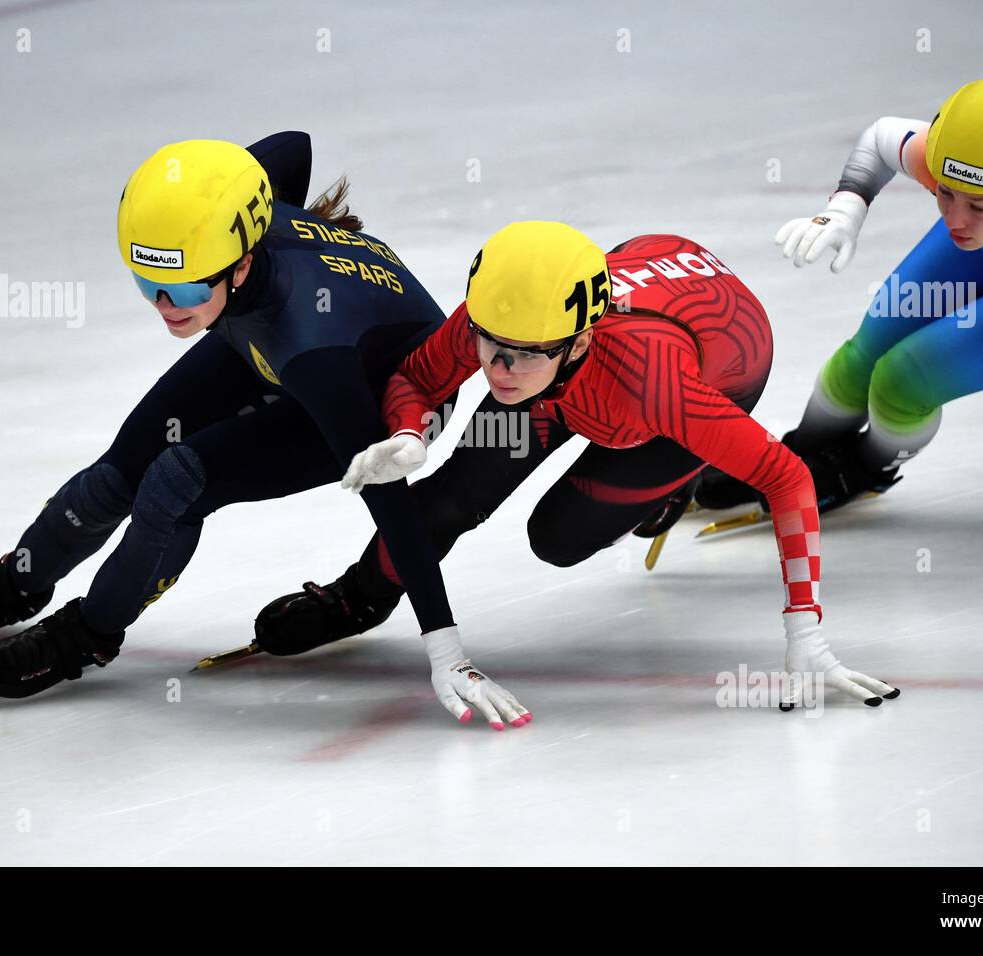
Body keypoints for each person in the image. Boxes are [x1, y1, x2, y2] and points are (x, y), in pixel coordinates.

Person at [0, 132, 522, 727]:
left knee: (175, 482)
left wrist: (446, 648)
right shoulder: (234, 222)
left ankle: (88, 634)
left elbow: (393, 505)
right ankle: (15, 583)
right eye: (149, 285)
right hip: (264, 326)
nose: (166, 308)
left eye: (183, 287)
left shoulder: (310, 345)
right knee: (124, 466)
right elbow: (291, 148)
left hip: (377, 400)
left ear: (240, 265)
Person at [248, 222, 898, 708]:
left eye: (522, 354)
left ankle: (677, 485)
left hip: (703, 375)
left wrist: (804, 629)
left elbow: (786, 476)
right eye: (489, 347)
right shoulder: (508, 316)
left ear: (582, 337)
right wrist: (412, 434)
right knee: (449, 497)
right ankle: (359, 598)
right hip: (611, 332)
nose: (498, 370)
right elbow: (419, 378)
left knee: (557, 539)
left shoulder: (655, 384)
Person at [696, 77, 983, 514]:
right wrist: (846, 208)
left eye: (976, 205)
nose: (955, 219)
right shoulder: (971, 168)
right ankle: (795, 454)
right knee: (862, 357)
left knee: (905, 381)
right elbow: (882, 139)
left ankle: (864, 470)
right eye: (944, 193)